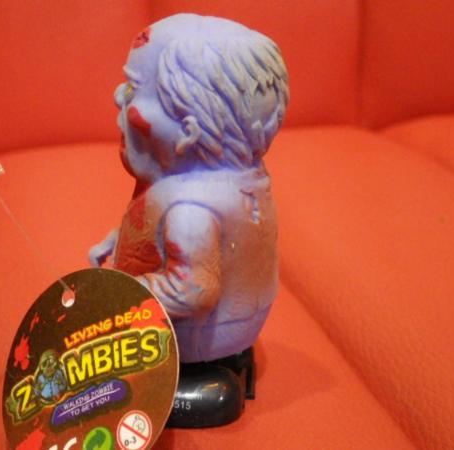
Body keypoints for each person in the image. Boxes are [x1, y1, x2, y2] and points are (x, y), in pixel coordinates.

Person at [89, 13, 288, 426]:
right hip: (235, 324)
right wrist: (119, 238)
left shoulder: (191, 212)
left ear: (187, 132)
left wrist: (119, 295)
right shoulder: (242, 181)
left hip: (193, 341)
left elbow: (192, 289)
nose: (117, 96)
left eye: (134, 88)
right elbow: (154, 234)